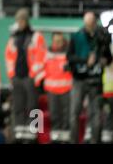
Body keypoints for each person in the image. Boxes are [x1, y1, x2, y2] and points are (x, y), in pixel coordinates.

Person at [67, 11, 112, 143]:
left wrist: (105, 60)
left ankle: (94, 140)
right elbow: (69, 57)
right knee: (74, 113)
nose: (90, 26)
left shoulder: (101, 38)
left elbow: (108, 58)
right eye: (88, 24)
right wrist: (84, 60)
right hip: (79, 80)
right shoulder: (77, 37)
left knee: (96, 114)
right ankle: (73, 141)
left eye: (92, 23)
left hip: (95, 81)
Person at [5, 8, 46, 143]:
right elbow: (9, 57)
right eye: (18, 20)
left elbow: (41, 57)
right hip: (17, 78)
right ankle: (19, 135)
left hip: (31, 78)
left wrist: (34, 75)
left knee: (34, 108)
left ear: (27, 20)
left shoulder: (37, 36)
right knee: (18, 107)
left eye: (22, 20)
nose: (20, 22)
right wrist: (12, 75)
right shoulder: (13, 38)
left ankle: (34, 136)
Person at [41, 32, 73, 143]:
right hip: (51, 90)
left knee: (66, 116)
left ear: (63, 41)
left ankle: (65, 140)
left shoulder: (69, 53)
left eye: (60, 41)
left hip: (66, 89)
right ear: (53, 41)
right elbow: (42, 69)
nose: (58, 43)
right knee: (54, 116)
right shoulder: (47, 54)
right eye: (56, 41)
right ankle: (55, 139)